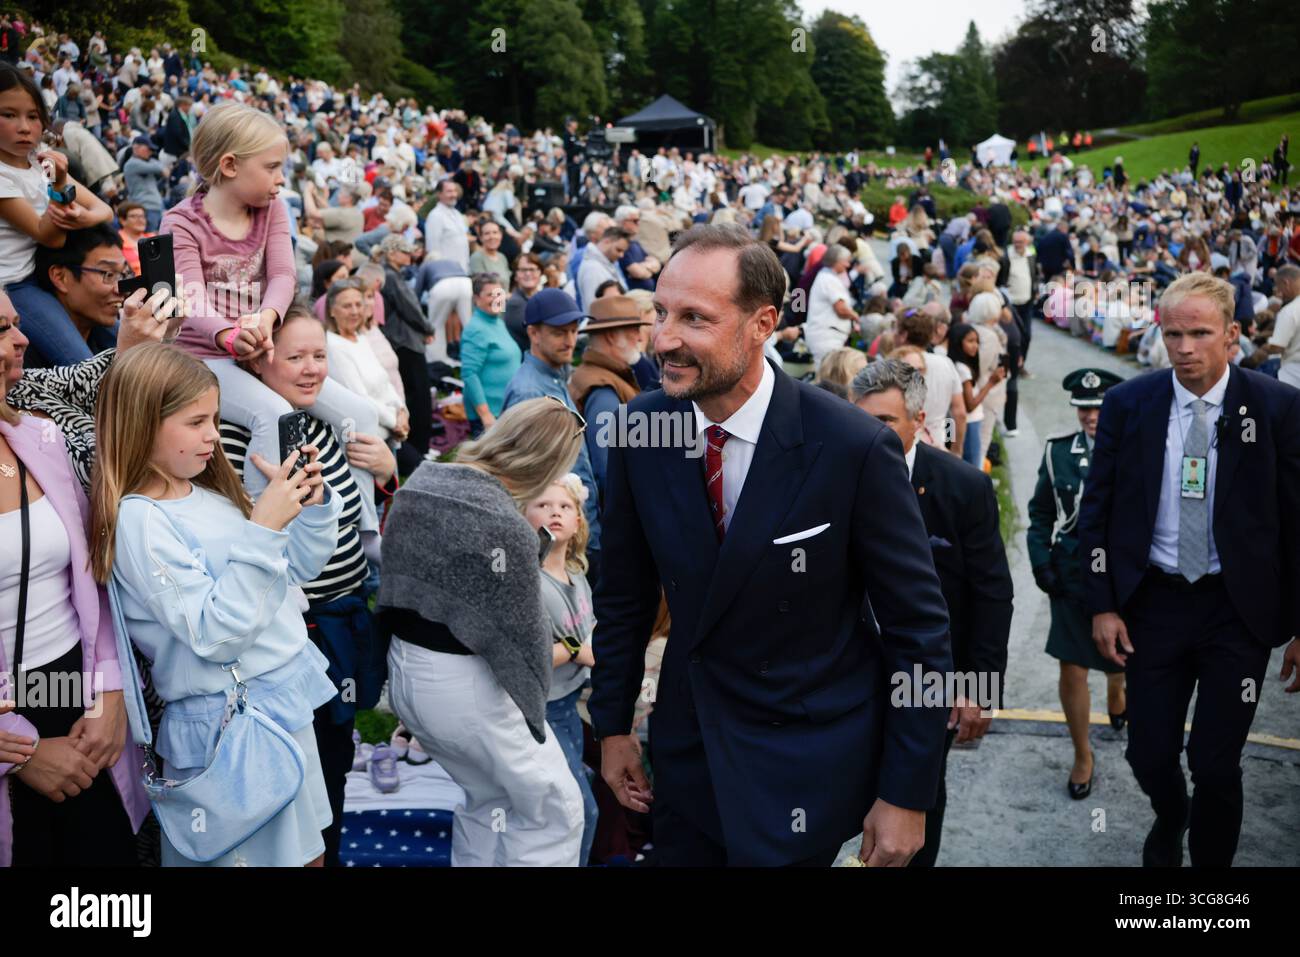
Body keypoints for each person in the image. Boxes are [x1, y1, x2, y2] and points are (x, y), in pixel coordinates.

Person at [590, 224, 951, 866]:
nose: (664, 339)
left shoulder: (851, 446)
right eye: (662, 313)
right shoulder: (641, 428)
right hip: (688, 754)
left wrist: (906, 792)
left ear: (762, 323)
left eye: (694, 318)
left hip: (804, 762)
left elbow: (917, 630)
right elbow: (623, 596)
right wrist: (615, 726)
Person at [1079, 273, 1300, 867]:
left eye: (1199, 333)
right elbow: (1095, 509)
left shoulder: (1278, 407)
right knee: (1147, 752)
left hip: (1238, 609)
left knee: (1216, 761)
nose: (1184, 347)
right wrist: (1102, 602)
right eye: (1172, 333)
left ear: (1233, 336)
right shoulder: (1129, 404)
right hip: (1155, 603)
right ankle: (1170, 813)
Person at [92, 343, 343, 866]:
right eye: (195, 421)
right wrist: (263, 526)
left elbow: (294, 572)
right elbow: (216, 633)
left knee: (308, 854)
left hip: (274, 707)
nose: (212, 434)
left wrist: (310, 512)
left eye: (214, 417)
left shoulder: (206, 493)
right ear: (141, 424)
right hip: (226, 727)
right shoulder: (141, 520)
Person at [219, 307, 395, 867]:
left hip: (345, 617)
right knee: (293, 775)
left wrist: (388, 469)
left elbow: (366, 510)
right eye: (293, 357)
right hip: (290, 636)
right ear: (255, 359)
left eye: (319, 355)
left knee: (335, 765)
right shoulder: (235, 434)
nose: (311, 368)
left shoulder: (326, 422)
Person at [377, 397, 587, 866]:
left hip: (408, 675)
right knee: (553, 809)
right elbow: (526, 642)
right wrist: (534, 716)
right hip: (465, 686)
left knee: (488, 801)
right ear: (549, 462)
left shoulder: (424, 482)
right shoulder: (503, 524)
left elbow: (393, 584)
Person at [164, 101, 381, 533]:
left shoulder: (273, 210)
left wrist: (266, 318)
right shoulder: (181, 222)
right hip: (203, 357)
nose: (282, 179)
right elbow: (190, 295)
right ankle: (262, 527)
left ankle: (366, 528)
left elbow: (283, 274)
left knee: (363, 414)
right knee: (273, 413)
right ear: (229, 165)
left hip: (260, 345)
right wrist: (228, 335)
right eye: (273, 167)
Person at [850, 358, 1012, 867]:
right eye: (859, 420)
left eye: (884, 423)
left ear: (919, 421)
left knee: (918, 795)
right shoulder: (832, 474)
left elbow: (991, 595)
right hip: (848, 673)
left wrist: (979, 688)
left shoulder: (964, 488)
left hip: (928, 679)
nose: (868, 434)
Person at [0, 323, 150, 868]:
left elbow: (88, 577)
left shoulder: (39, 437)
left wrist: (110, 697)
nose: (20, 339)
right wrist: (18, 754)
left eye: (16, 323)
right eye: (0, 329)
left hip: (74, 694)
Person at [1027, 368, 1128, 800]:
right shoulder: (1058, 453)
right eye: (1084, 408)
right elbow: (1040, 516)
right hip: (1071, 573)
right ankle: (1083, 754)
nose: (1090, 416)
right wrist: (1040, 563)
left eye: (1100, 408)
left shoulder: (1135, 451)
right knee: (1073, 664)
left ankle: (1118, 686)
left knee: (1119, 658)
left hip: (1123, 575)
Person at [0, 64, 114, 369]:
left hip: (42, 272)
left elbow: (105, 210)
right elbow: (49, 233)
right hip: (13, 284)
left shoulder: (38, 163)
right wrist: (62, 186)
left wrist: (83, 217)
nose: (24, 126)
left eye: (33, 116)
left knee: (117, 335)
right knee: (80, 363)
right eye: (8, 115)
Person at [501, 288, 603, 585]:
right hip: (558, 538)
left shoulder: (553, 375)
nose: (570, 340)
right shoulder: (530, 390)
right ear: (533, 333)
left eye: (573, 331)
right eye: (560, 332)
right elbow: (528, 476)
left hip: (575, 529)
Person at [523, 473, 599, 865]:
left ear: (578, 522)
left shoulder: (577, 575)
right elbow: (523, 651)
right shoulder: (527, 580)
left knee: (581, 804)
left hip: (570, 704)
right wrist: (575, 650)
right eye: (543, 504)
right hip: (542, 710)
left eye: (565, 506)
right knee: (579, 812)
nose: (555, 512)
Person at [568, 294, 648, 496]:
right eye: (634, 330)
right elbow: (608, 470)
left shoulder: (598, 376)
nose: (640, 337)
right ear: (612, 336)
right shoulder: (603, 388)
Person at [323, 278, 408, 443]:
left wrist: (402, 410)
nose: (355, 311)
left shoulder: (360, 337)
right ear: (332, 310)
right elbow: (359, 397)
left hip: (389, 430)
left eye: (358, 304)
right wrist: (395, 422)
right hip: (369, 438)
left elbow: (385, 381)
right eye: (347, 306)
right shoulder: (333, 346)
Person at [376, 233, 436, 458]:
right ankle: (419, 450)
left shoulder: (391, 274)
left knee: (411, 394)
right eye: (405, 251)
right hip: (405, 342)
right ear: (391, 253)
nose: (410, 255)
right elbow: (410, 307)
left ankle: (415, 449)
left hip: (401, 341)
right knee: (418, 396)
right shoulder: (391, 276)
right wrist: (427, 328)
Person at [460, 272, 522, 435]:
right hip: (490, 416)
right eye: (490, 295)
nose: (496, 299)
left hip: (506, 409)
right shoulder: (476, 329)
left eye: (499, 294)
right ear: (476, 298)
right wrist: (485, 415)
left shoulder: (497, 322)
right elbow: (469, 375)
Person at [948, 321, 1006, 468]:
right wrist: (991, 383)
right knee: (973, 465)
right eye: (970, 341)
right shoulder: (962, 370)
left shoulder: (956, 364)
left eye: (977, 342)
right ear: (958, 342)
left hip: (959, 422)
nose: (975, 346)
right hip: (969, 423)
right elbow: (970, 405)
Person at [804, 244, 857, 367]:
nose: (848, 265)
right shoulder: (829, 279)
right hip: (826, 337)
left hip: (824, 335)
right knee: (827, 376)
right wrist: (856, 316)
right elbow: (841, 309)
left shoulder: (825, 276)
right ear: (837, 261)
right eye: (846, 261)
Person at [576, 225, 630, 310]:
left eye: (623, 251)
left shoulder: (607, 263)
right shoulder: (592, 268)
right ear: (606, 242)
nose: (621, 255)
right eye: (618, 250)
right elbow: (594, 307)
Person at [123, 135, 166, 232]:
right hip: (145, 208)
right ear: (136, 147)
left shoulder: (146, 162)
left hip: (154, 207)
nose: (150, 152)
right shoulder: (132, 164)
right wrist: (160, 167)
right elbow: (160, 168)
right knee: (150, 243)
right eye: (148, 149)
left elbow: (161, 166)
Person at [503, 252, 543, 357]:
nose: (528, 274)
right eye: (523, 270)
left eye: (532, 269)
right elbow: (541, 333)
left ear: (540, 273)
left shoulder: (541, 297)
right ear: (516, 276)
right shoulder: (514, 303)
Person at [467, 219, 511, 288]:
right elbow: (483, 288)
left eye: (495, 232)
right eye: (487, 233)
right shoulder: (476, 258)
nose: (492, 237)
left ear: (500, 235)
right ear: (481, 238)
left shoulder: (502, 257)